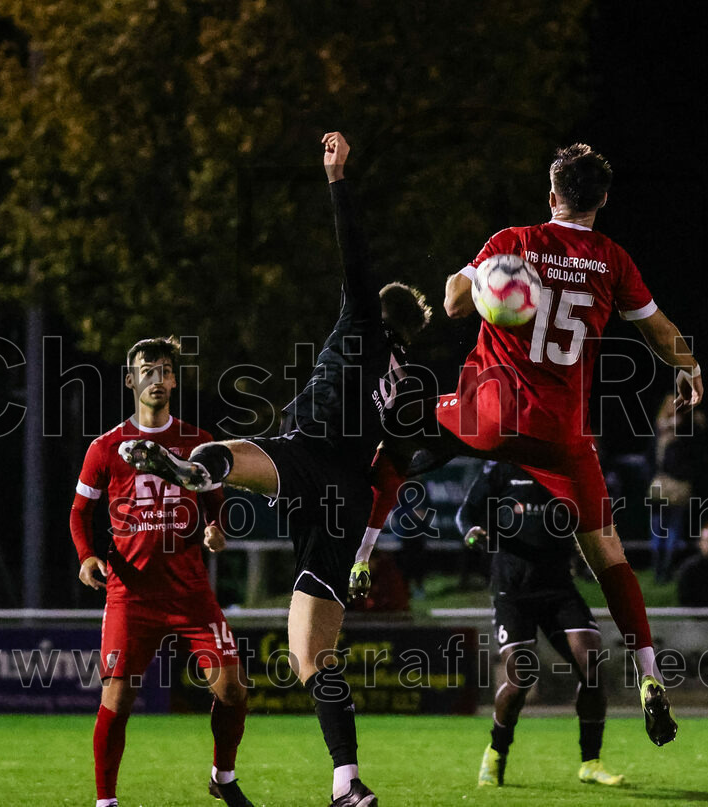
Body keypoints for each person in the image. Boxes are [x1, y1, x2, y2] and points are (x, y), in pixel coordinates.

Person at [121, 132, 430, 807]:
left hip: (307, 453)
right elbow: (395, 471)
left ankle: (187, 469)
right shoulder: (410, 384)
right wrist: (369, 544)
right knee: (311, 658)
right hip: (347, 499)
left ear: (380, 309)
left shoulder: (361, 319)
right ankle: (347, 780)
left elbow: (356, 253)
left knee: (232, 456)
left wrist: (338, 179)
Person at [359, 142, 703, 747]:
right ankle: (650, 675)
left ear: (552, 195)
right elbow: (657, 330)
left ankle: (361, 553)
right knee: (610, 556)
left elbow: (452, 303)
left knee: (396, 440)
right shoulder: (612, 260)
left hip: (488, 415)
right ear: (602, 201)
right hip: (562, 436)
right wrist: (690, 365)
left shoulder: (512, 242)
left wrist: (475, 279)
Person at [69, 336, 253, 807]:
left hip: (190, 591)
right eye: (147, 371)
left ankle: (223, 777)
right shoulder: (106, 448)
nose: (158, 379)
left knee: (232, 689)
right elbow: (79, 513)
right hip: (131, 594)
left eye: (165, 371)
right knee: (118, 700)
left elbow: (217, 502)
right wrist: (88, 556)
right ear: (131, 380)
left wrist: (216, 527)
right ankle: (105, 802)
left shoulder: (198, 443)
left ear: (175, 379)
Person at [455, 461, 624, 788]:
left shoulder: (566, 468)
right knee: (520, 681)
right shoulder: (501, 468)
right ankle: (496, 751)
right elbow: (467, 511)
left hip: (558, 586)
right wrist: (470, 531)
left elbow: (590, 518)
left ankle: (591, 761)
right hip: (512, 589)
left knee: (591, 663)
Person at [648, 393, 704, 583]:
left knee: (671, 527)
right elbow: (651, 457)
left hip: (674, 484)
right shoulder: (662, 428)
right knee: (660, 527)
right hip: (663, 483)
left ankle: (665, 568)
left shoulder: (685, 428)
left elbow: (691, 456)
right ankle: (659, 568)